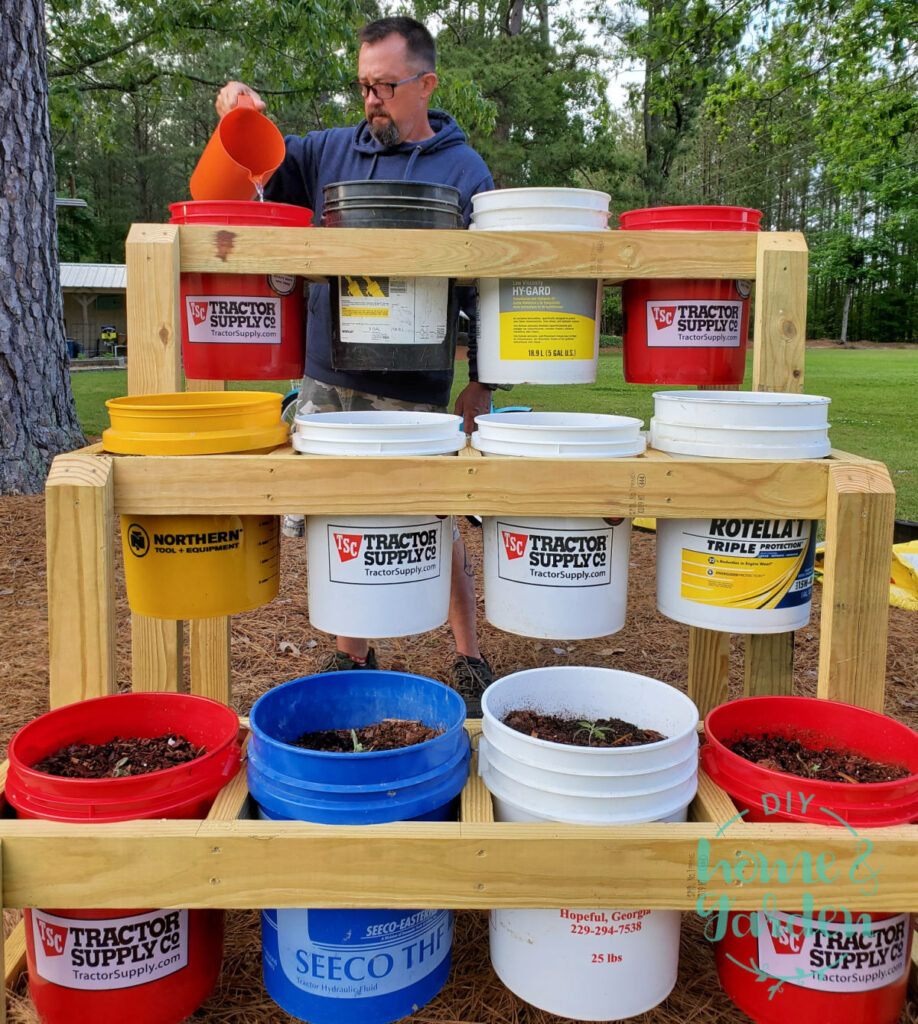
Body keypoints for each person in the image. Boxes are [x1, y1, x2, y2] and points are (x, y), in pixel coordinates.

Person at [216, 16, 498, 714]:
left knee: (433, 515)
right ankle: (352, 651)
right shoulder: (331, 152)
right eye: (363, 85)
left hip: (412, 387)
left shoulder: (465, 173)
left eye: (386, 86)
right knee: (338, 513)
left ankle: (467, 655)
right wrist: (238, 108)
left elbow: (490, 286)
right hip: (325, 375)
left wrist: (485, 381)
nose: (371, 99)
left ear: (426, 85)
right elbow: (261, 169)